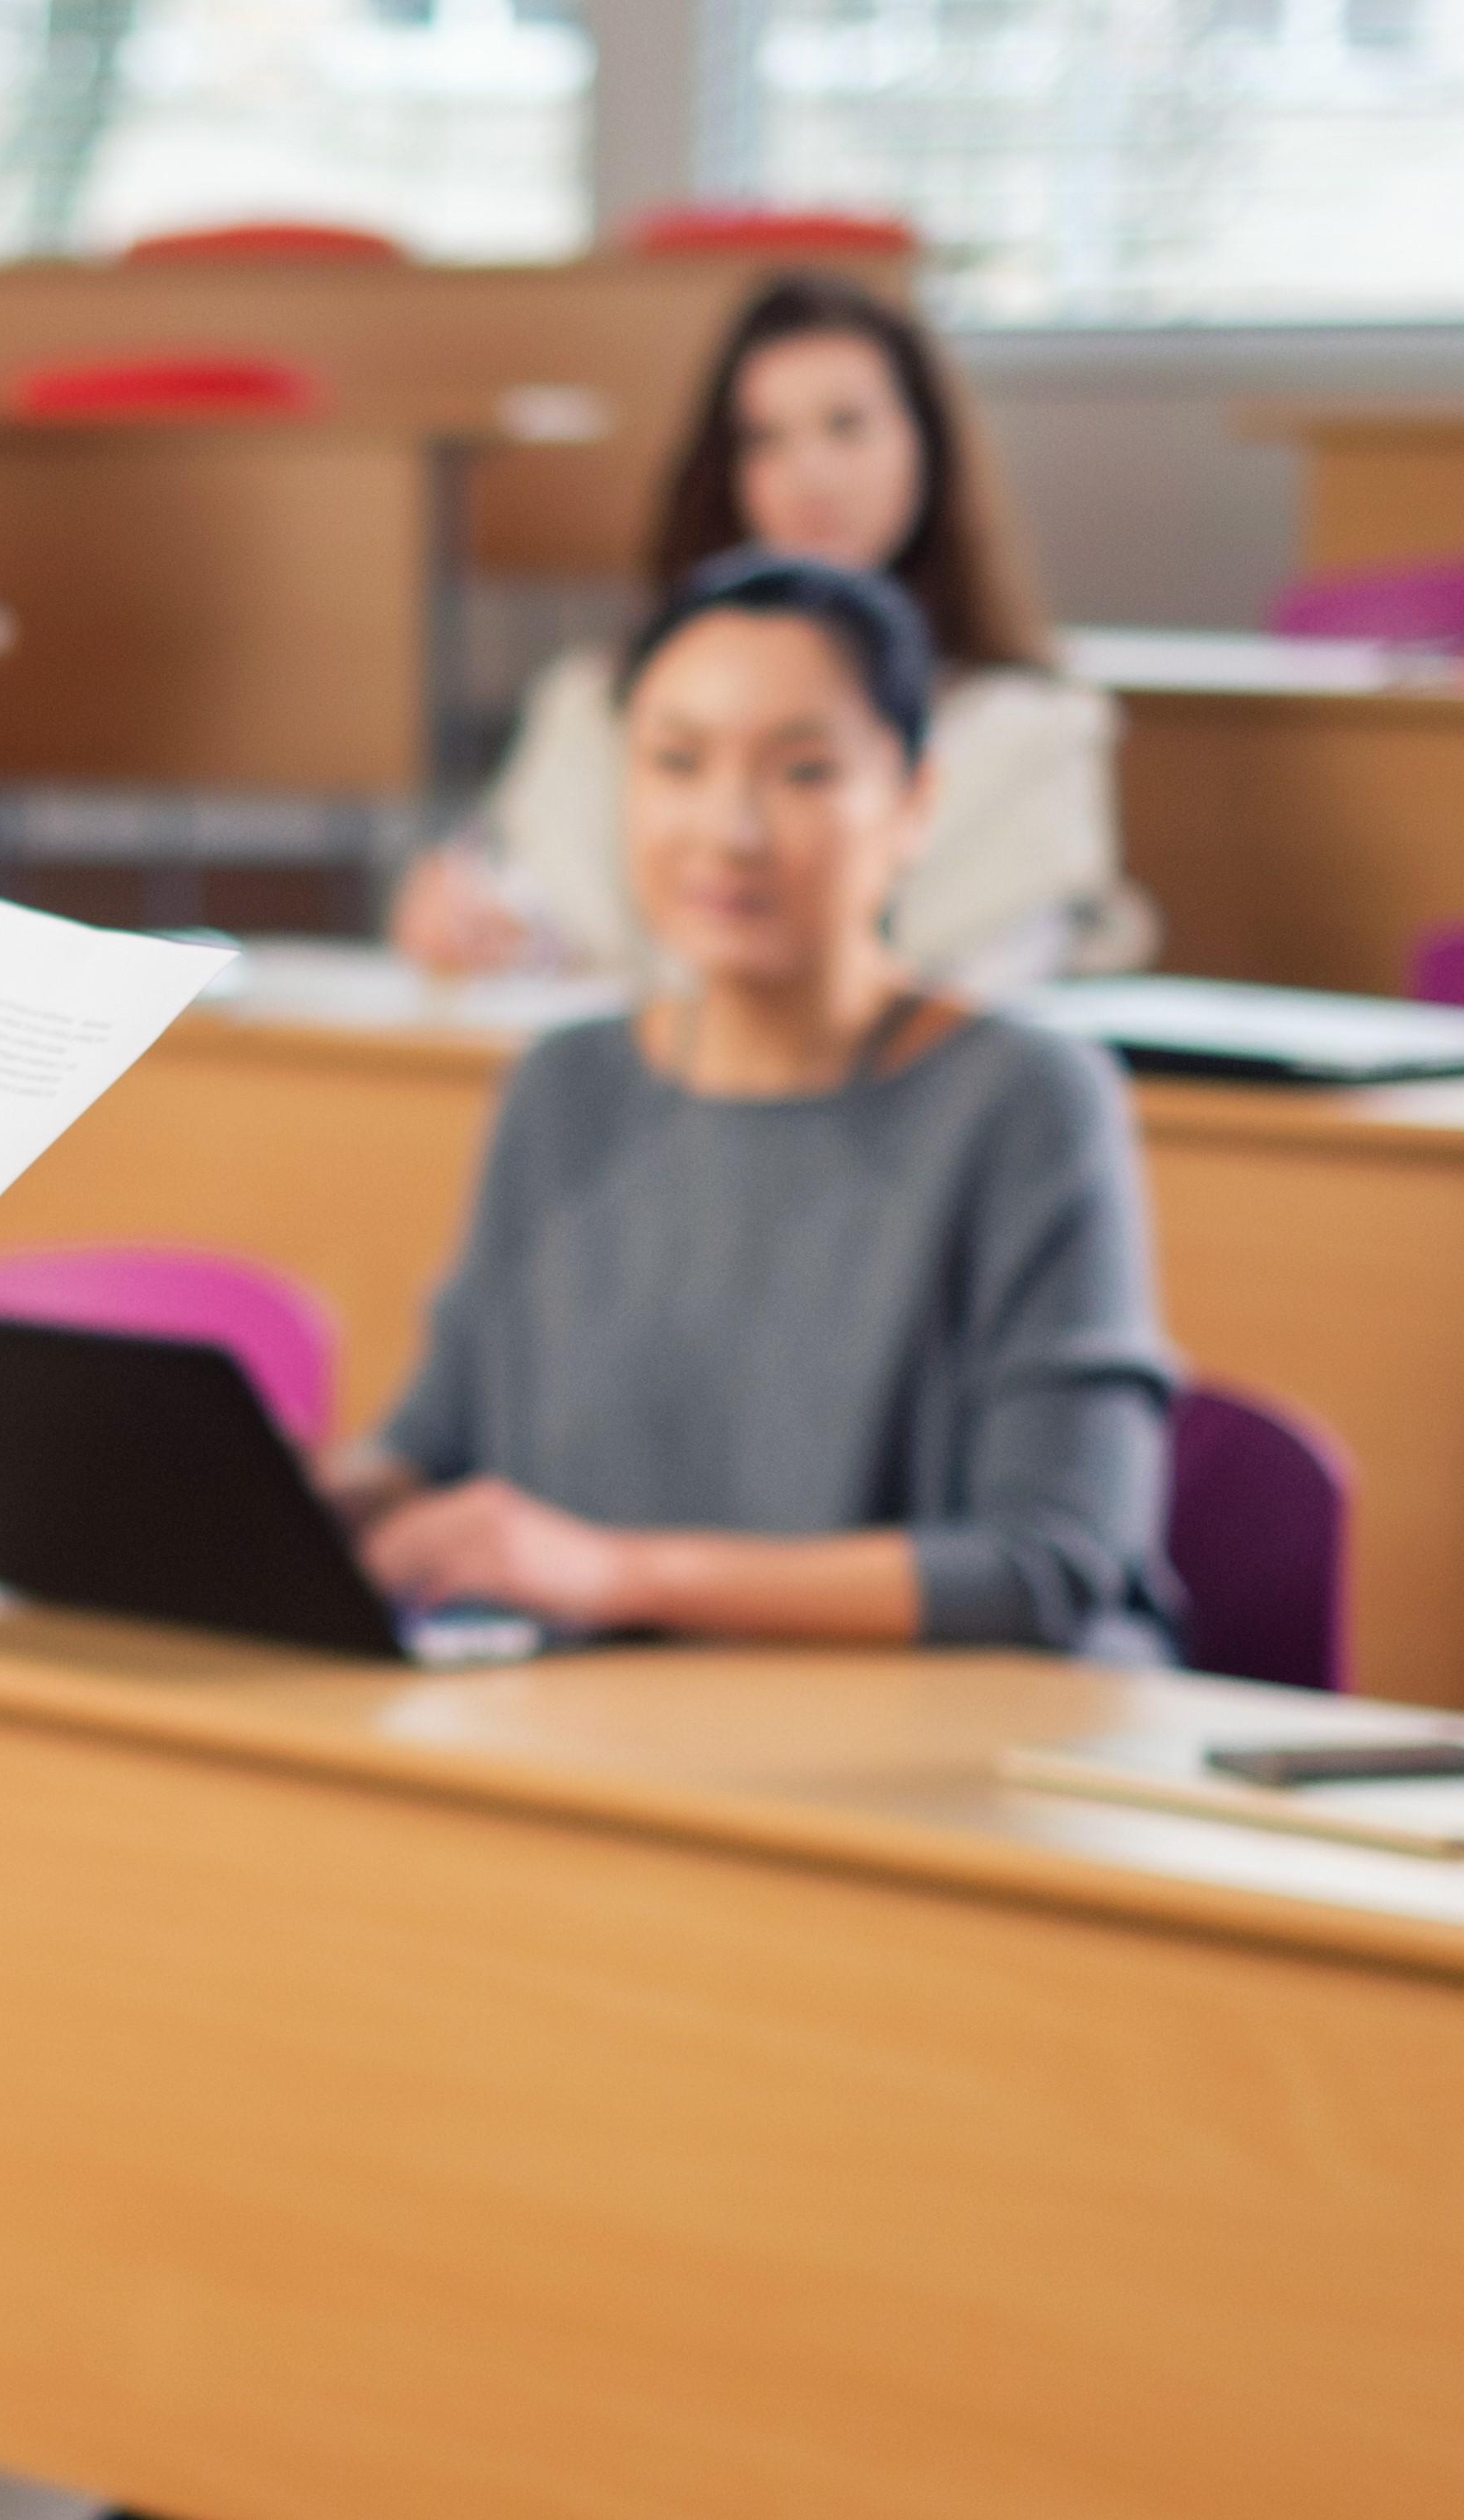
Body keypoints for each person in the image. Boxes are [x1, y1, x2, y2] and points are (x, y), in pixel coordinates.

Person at [323, 553, 1178, 1656]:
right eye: (673, 762)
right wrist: (317, 1495)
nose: (727, 828)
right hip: (601, 1738)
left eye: (801, 771)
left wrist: (619, 1574)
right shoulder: (562, 1084)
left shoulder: (1026, 1100)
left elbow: (1050, 1561)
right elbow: (434, 1437)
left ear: (914, 802)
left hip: (904, 1753)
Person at [389, 270, 1146, 1001]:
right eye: (764, 439)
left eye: (845, 426)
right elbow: (543, 926)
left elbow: (989, 991)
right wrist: (483, 928)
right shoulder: (599, 705)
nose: (809, 473)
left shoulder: (1026, 730)